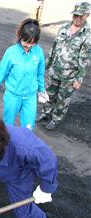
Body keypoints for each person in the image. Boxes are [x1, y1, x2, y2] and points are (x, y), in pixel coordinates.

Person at [37, 2, 91, 130]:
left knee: (62, 99)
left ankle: (56, 119)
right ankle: (46, 114)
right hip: (54, 70)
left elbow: (84, 59)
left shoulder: (87, 35)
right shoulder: (64, 28)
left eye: (81, 16)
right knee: (49, 94)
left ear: (87, 15)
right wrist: (46, 66)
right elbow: (53, 49)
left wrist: (79, 78)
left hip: (70, 76)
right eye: (75, 15)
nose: (77, 18)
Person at [0, 18, 46, 130]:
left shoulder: (39, 51)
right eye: (26, 42)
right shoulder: (11, 52)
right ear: (20, 37)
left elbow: (40, 74)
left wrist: (41, 90)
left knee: (28, 128)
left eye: (33, 43)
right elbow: (1, 73)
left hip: (30, 96)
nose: (29, 46)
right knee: (8, 126)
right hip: (13, 96)